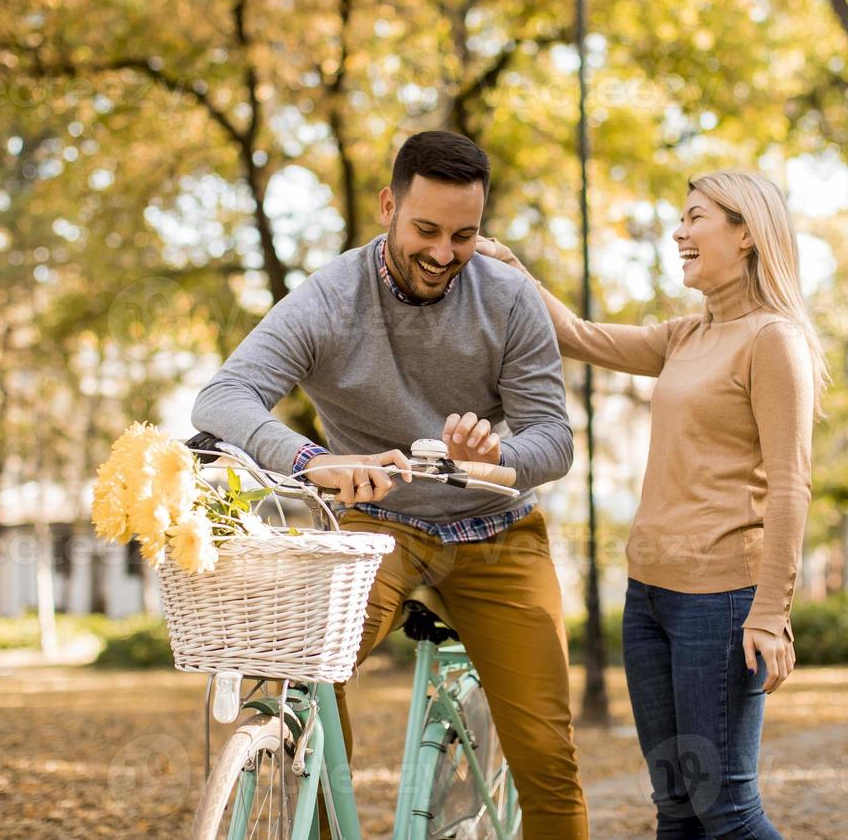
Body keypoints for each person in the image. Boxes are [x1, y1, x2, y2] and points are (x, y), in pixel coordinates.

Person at [191, 130, 589, 838]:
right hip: (378, 527)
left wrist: (496, 456)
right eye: (426, 230)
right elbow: (223, 398)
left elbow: (552, 439)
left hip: (497, 533)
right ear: (388, 206)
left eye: (464, 235)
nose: (443, 254)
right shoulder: (328, 299)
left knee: (546, 758)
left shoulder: (510, 300)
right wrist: (314, 460)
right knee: (303, 678)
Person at [479, 169, 827, 839]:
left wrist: (772, 613)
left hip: (721, 602)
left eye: (696, 217)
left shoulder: (772, 340)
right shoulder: (685, 337)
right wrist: (515, 270)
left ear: (747, 233)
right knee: (676, 809)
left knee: (725, 811)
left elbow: (790, 483)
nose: (679, 231)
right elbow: (578, 336)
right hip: (649, 601)